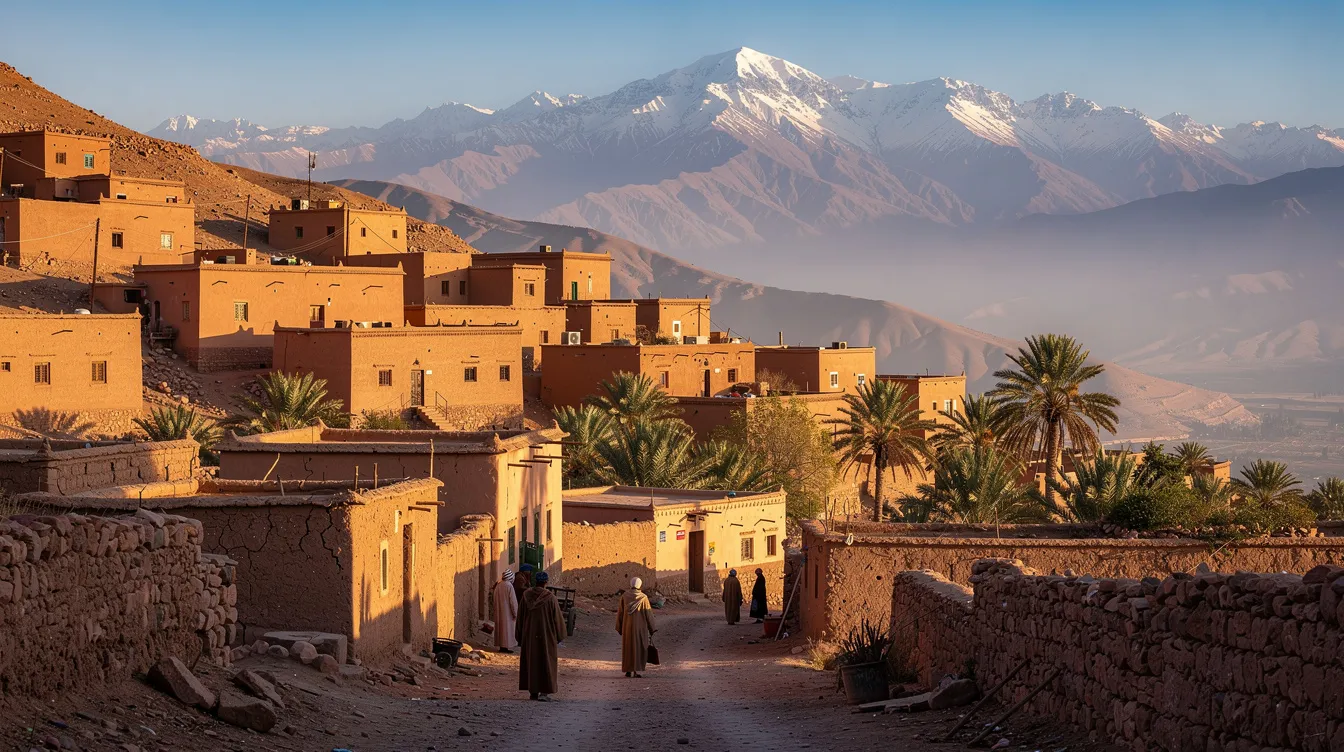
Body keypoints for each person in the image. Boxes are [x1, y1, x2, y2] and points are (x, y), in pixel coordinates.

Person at [515, 570, 565, 701]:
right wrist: (559, 636)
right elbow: (557, 619)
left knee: (532, 662)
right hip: (546, 636)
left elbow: (520, 618)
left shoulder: (526, 596)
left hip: (529, 636)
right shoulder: (551, 598)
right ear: (545, 582)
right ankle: (544, 692)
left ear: (535, 581)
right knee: (546, 662)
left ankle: (533, 692)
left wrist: (520, 636)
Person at [616, 577, 656, 678]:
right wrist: (652, 628)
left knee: (628, 648)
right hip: (640, 629)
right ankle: (636, 670)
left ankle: (629, 670)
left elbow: (620, 613)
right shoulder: (643, 598)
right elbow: (648, 614)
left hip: (627, 628)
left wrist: (619, 627)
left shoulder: (624, 596)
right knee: (638, 648)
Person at [492, 569, 519, 653]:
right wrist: (515, 613)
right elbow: (513, 602)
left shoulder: (498, 585)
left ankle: (502, 647)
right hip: (507, 612)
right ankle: (505, 647)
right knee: (506, 630)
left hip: (499, 611)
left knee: (501, 629)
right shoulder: (509, 586)